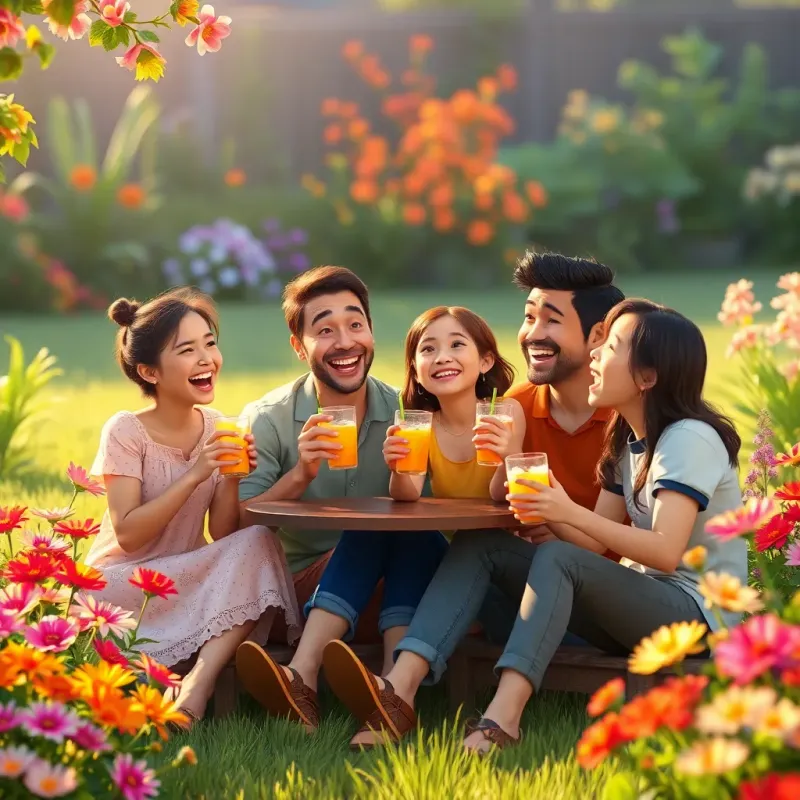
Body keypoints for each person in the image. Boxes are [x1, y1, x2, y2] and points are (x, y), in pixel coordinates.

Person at [322, 298, 746, 754]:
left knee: (559, 557)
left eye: (611, 346)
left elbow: (665, 551)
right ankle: (398, 693)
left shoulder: (688, 437)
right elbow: (591, 536)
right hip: (640, 610)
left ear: (647, 376)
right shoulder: (628, 438)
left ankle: (504, 716)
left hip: (697, 618)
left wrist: (562, 510)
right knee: (484, 542)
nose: (595, 354)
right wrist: (547, 512)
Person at [234, 266, 447, 731]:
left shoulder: (407, 412)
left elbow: (439, 517)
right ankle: (387, 689)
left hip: (393, 594)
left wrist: (405, 478)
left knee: (405, 528)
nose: (345, 342)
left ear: (371, 332)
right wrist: (301, 473)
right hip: (300, 597)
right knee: (376, 526)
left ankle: (318, 679)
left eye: (355, 324)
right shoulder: (269, 418)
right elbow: (240, 524)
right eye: (324, 330)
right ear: (299, 346)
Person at [85, 288, 300, 726]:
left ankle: (198, 682)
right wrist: (196, 473)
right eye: (187, 350)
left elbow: (223, 534)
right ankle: (177, 665)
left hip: (187, 577)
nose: (207, 358)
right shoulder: (125, 430)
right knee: (95, 596)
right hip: (124, 586)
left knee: (258, 537)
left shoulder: (220, 427)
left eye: (210, 343)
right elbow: (127, 533)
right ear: (150, 370)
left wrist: (234, 475)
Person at [318, 305, 517, 748]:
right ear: (416, 370)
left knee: (462, 542)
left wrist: (505, 456)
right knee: (390, 528)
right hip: (450, 566)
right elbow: (406, 498)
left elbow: (504, 499)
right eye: (428, 350)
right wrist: (398, 469)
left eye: (456, 345)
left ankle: (389, 689)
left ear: (485, 360)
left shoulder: (505, 414)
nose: (442, 356)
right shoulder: (420, 423)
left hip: (498, 572)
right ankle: (383, 691)